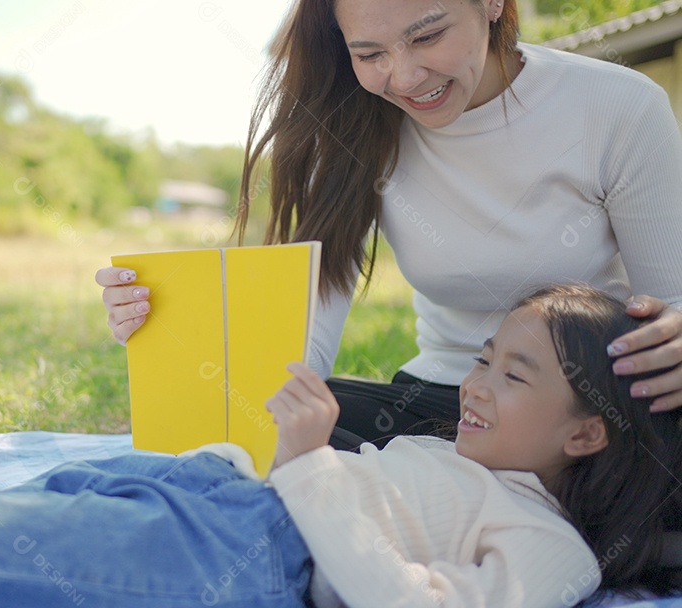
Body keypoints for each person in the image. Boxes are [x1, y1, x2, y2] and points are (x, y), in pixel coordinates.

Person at [0, 284, 679, 607]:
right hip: (199, 500)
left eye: (512, 373)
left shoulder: (553, 548)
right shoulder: (457, 456)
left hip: (238, 555)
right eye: (483, 356)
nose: (474, 383)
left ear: (589, 431)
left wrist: (310, 461)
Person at [96, 0, 682, 448]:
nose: (402, 79)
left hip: (586, 411)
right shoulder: (351, 127)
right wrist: (173, 329)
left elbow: (670, 305)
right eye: (369, 54)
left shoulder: (617, 107)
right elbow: (303, 346)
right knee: (242, 433)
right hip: (440, 407)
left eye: (427, 36)